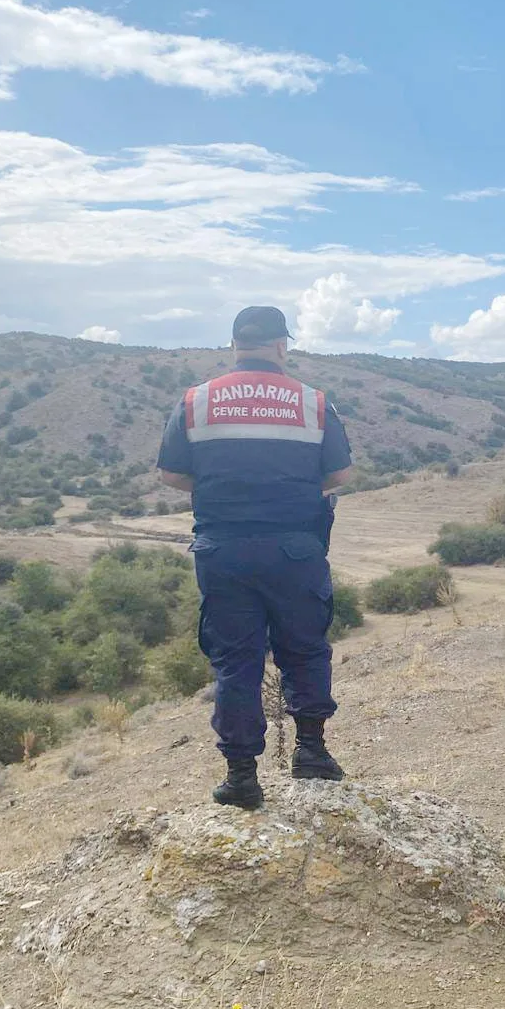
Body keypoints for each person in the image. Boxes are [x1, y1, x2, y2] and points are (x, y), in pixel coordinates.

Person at [156, 306, 354, 809]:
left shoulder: (196, 401)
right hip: (295, 546)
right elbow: (339, 477)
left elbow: (172, 476)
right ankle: (311, 750)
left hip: (223, 548)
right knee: (305, 648)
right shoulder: (312, 403)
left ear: (234, 346)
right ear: (282, 346)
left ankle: (241, 777)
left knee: (235, 661)